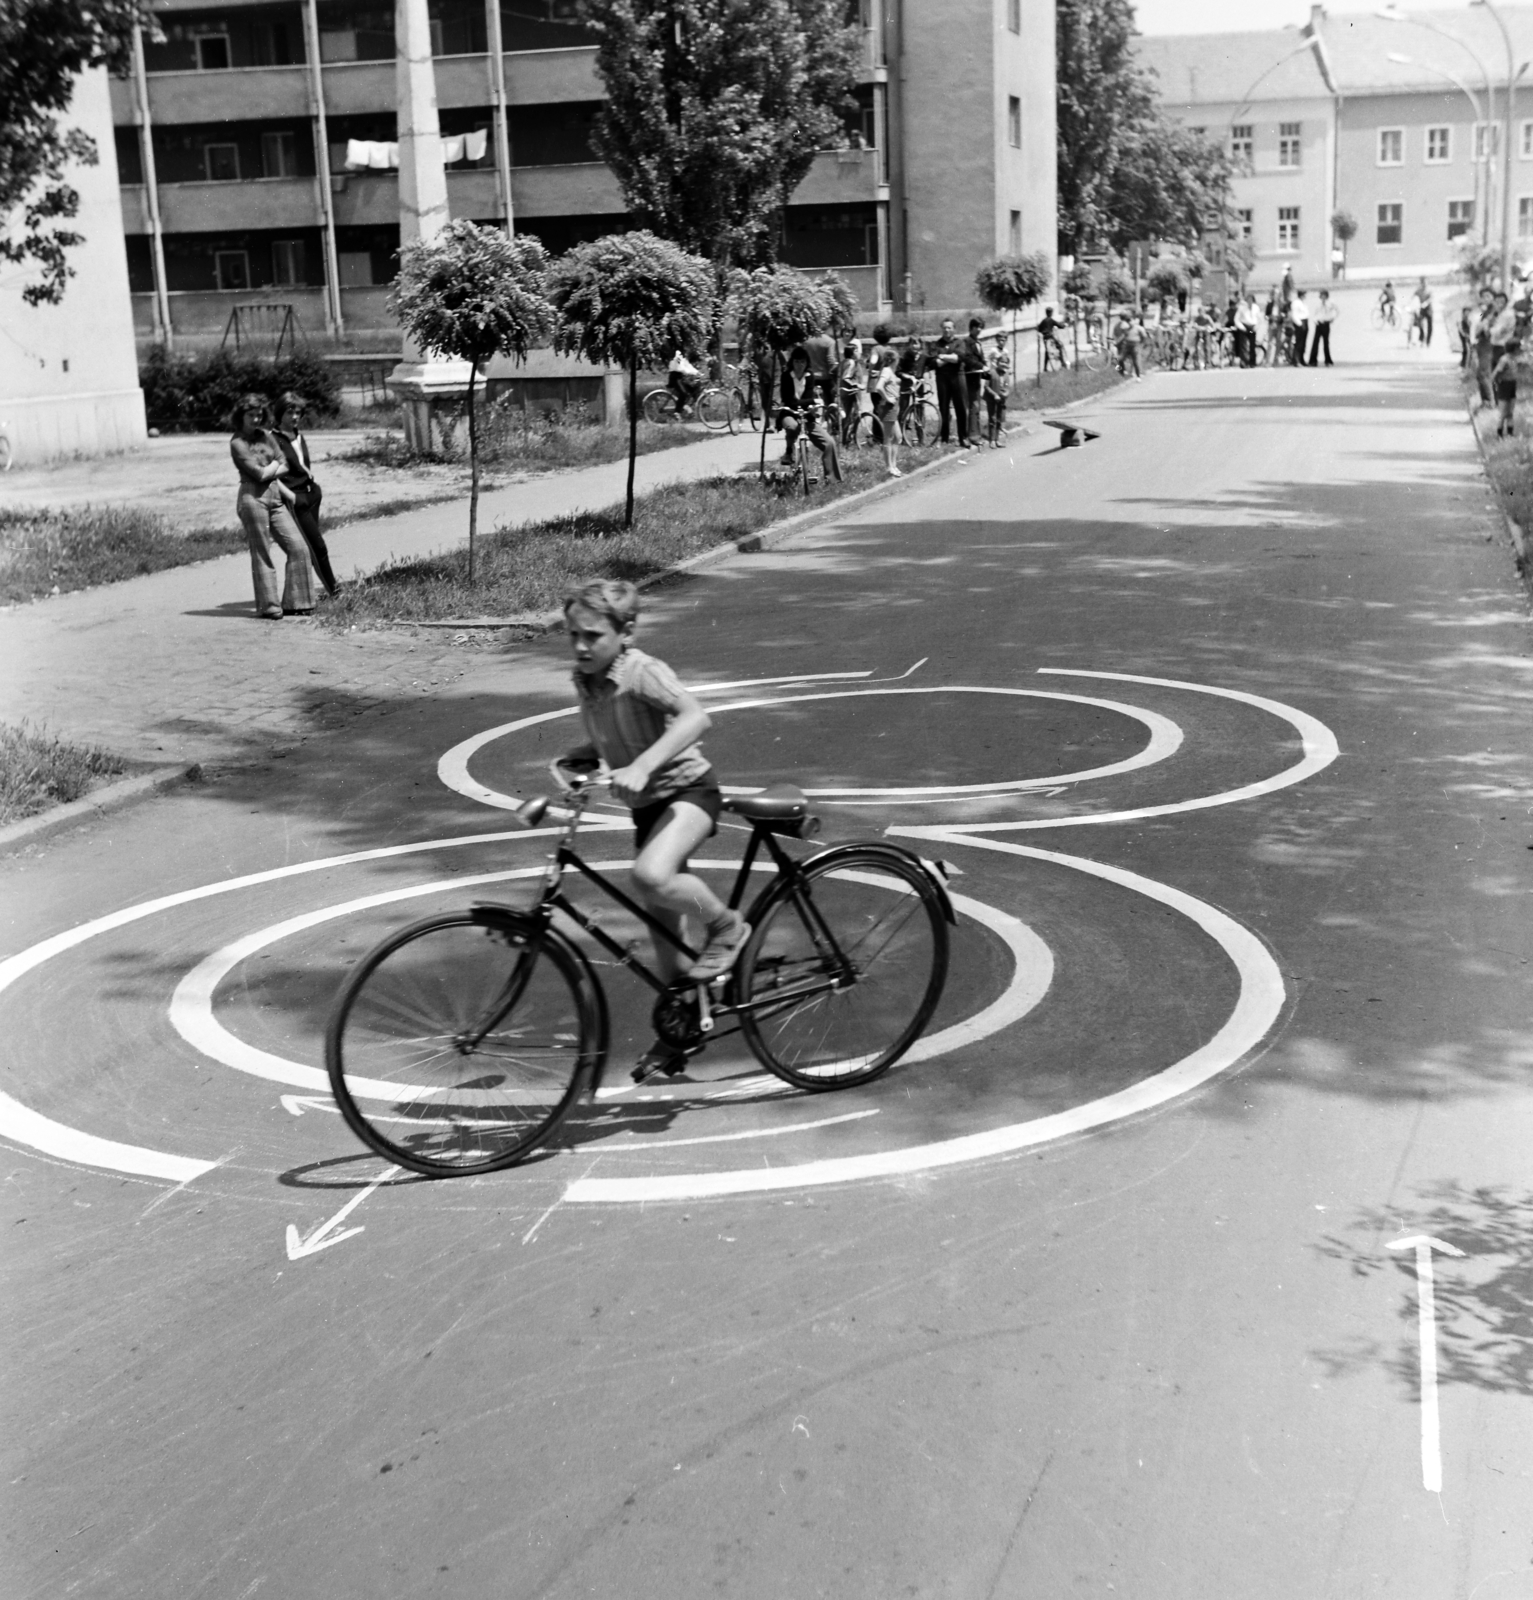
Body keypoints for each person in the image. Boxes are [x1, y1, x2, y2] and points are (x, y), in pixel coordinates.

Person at [559, 580, 748, 1082]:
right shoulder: (589, 680)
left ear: (626, 632)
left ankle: (727, 925)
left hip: (689, 793)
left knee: (650, 876)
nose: (580, 645)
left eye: (593, 635)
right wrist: (585, 756)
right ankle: (680, 1031)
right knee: (664, 939)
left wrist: (642, 765)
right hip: (648, 807)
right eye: (572, 633)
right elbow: (611, 733)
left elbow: (694, 717)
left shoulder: (641, 672)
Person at [229, 393, 314, 620]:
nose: (256, 420)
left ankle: (296, 602)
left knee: (299, 547)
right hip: (252, 499)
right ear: (241, 416)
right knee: (262, 553)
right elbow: (257, 473)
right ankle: (269, 606)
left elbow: (285, 465)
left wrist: (271, 467)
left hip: (275, 497)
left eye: (259, 415)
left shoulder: (267, 436)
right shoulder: (237, 443)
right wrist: (273, 465)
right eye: (250, 415)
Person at [273, 393, 338, 596]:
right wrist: (291, 497)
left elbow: (301, 464)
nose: (294, 417)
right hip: (296, 498)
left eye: (298, 412)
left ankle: (303, 595)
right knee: (317, 547)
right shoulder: (272, 439)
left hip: (311, 494)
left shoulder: (298, 435)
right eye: (290, 412)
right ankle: (335, 592)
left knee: (310, 547)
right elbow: (270, 476)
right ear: (280, 412)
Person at [776, 344, 840, 480]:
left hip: (806, 415)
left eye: (803, 362)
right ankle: (789, 451)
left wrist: (812, 405)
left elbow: (809, 397)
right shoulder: (786, 376)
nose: (799, 365)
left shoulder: (810, 377)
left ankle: (832, 479)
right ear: (792, 362)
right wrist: (810, 403)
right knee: (793, 427)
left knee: (829, 443)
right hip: (789, 413)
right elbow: (788, 400)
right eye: (797, 361)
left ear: (807, 363)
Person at [929, 316, 971, 446]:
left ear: (954, 329)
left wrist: (942, 357)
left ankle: (963, 437)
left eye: (949, 328)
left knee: (961, 408)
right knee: (943, 408)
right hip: (942, 378)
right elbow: (934, 362)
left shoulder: (959, 343)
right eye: (945, 328)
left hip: (958, 377)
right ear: (942, 329)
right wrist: (950, 358)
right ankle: (944, 438)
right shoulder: (936, 344)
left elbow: (959, 358)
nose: (947, 330)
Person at [869, 346, 901, 475]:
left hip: (893, 407)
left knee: (898, 437)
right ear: (895, 360)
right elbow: (879, 387)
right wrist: (888, 398)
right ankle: (889, 467)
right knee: (888, 438)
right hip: (888, 407)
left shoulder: (889, 371)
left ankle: (894, 465)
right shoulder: (887, 371)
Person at [961, 318, 988, 444]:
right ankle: (972, 435)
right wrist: (982, 366)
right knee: (973, 406)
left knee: (977, 406)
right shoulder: (967, 342)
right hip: (969, 377)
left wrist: (986, 368)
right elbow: (968, 359)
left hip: (977, 378)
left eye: (981, 327)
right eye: (977, 327)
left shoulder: (977, 342)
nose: (979, 329)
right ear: (971, 328)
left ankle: (976, 433)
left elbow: (981, 359)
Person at [983, 335, 1011, 446]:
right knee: (992, 418)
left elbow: (1007, 386)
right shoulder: (991, 373)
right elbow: (986, 386)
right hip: (992, 398)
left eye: (1006, 363)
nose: (1003, 365)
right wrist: (994, 395)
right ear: (997, 362)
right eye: (1001, 362)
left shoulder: (1006, 375)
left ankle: (997, 439)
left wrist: (1006, 394)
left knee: (999, 419)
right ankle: (992, 440)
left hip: (1001, 400)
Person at [836, 338, 865, 440]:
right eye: (856, 351)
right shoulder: (851, 362)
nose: (858, 352)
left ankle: (846, 437)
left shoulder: (844, 361)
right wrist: (856, 385)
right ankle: (846, 438)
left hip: (843, 391)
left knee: (848, 415)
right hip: (849, 392)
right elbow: (846, 377)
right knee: (852, 415)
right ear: (852, 354)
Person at [1492, 337, 1521, 437]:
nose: (1519, 350)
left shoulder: (1514, 359)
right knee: (1503, 412)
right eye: (1518, 348)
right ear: (1514, 348)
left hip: (1512, 385)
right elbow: (1497, 372)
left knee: (1510, 411)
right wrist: (1496, 383)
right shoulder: (1504, 359)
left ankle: (1510, 432)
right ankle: (1499, 433)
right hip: (1504, 385)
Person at [666, 349, 702, 415]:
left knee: (692, 389)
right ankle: (677, 412)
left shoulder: (682, 357)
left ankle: (686, 407)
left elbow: (688, 366)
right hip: (675, 378)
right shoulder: (677, 355)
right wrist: (692, 373)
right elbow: (681, 368)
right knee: (683, 394)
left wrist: (697, 372)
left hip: (680, 378)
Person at [1307, 289, 1336, 367]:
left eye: (1324, 296)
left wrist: (1332, 318)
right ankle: (1313, 361)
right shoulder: (1318, 304)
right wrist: (1315, 321)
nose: (1323, 297)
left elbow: (1335, 311)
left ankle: (1328, 360)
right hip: (1319, 324)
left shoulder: (1330, 303)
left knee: (1326, 343)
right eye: (1321, 296)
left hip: (1326, 324)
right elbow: (1314, 313)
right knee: (1315, 342)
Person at [1036, 304, 1066, 370]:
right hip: (1050, 336)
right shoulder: (1051, 320)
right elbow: (1059, 325)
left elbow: (1038, 328)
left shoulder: (1043, 321)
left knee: (1047, 352)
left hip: (1045, 338)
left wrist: (1042, 332)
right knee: (1059, 345)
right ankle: (1062, 362)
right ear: (1051, 313)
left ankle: (1045, 367)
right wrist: (1064, 325)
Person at [1288, 289, 1310, 365]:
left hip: (1305, 321)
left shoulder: (1302, 302)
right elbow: (1294, 315)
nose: (1305, 296)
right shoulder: (1296, 303)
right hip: (1299, 323)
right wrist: (1300, 324)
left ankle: (1301, 359)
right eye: (1304, 295)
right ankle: (1296, 360)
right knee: (1299, 342)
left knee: (1303, 342)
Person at [1412, 277, 1434, 346]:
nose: (1425, 284)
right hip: (1422, 309)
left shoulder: (1430, 290)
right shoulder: (1419, 290)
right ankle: (1422, 338)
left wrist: (1426, 303)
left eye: (1426, 282)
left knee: (1430, 326)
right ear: (1421, 283)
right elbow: (1413, 296)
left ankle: (1428, 341)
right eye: (1423, 283)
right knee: (1419, 323)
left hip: (1429, 309)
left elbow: (1431, 298)